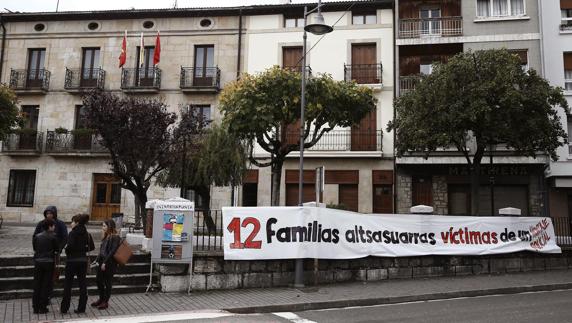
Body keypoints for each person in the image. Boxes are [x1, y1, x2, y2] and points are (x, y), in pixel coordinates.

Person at [60, 214, 94, 314]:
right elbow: (91, 247)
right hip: (83, 261)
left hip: (71, 261)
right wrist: (82, 249)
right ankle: (81, 308)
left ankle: (64, 308)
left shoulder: (72, 233)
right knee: (82, 284)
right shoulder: (87, 233)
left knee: (68, 285)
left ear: (77, 223)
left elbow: (69, 246)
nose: (71, 224)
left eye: (73, 222)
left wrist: (67, 250)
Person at [33, 206, 68, 303]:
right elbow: (35, 237)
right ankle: (40, 297)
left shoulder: (60, 224)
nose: (49, 215)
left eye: (51, 213)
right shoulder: (41, 224)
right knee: (40, 278)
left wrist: (59, 249)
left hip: (54, 254)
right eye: (47, 213)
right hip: (41, 255)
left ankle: (48, 295)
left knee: (52, 277)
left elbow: (65, 237)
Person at [91, 219, 121, 310]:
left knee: (107, 282)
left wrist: (105, 262)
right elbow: (102, 251)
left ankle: (105, 302)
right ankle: (101, 298)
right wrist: (96, 260)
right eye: (102, 226)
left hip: (110, 263)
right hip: (102, 262)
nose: (102, 227)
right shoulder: (105, 236)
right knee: (98, 280)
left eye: (104, 226)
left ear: (109, 227)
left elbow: (112, 251)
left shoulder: (115, 237)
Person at [32, 219, 58, 314]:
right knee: (45, 285)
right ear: (50, 226)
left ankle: (35, 307)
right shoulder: (53, 237)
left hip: (38, 262)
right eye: (53, 226)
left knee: (37, 284)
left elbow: (35, 248)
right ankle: (42, 307)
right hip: (48, 262)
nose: (54, 227)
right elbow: (57, 249)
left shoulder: (37, 236)